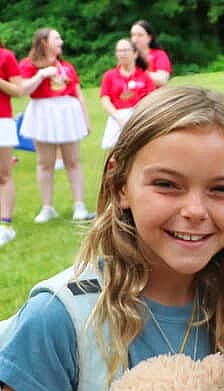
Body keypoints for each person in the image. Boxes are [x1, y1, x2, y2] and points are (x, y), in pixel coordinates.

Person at [0, 85, 224, 391]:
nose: (195, 210)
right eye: (167, 185)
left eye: (220, 189)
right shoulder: (59, 321)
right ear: (120, 186)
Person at [18, 27, 93, 223]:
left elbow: (78, 93)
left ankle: (79, 205)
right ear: (44, 42)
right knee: (45, 163)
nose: (61, 42)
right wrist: (41, 75)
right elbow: (23, 89)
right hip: (43, 112)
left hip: (67, 112)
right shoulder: (29, 65)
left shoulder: (67, 66)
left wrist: (85, 120)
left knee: (73, 161)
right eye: (57, 38)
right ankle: (47, 207)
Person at [99, 38, 155, 150]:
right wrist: (118, 118)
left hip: (139, 117)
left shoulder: (145, 77)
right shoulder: (110, 76)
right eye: (119, 51)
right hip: (117, 119)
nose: (122, 54)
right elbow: (105, 99)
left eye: (125, 50)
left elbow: (152, 99)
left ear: (135, 54)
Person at [0, 36, 23, 245]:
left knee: (3, 175)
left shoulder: (6, 56)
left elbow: (18, 89)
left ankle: (5, 223)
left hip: (2, 121)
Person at [131, 20, 171, 87]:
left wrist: (138, 74)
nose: (135, 39)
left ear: (149, 38)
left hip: (155, 95)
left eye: (140, 35)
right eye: (133, 35)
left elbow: (162, 80)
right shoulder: (129, 56)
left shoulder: (159, 55)